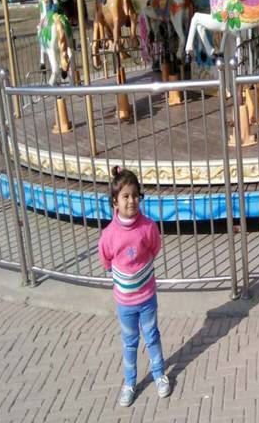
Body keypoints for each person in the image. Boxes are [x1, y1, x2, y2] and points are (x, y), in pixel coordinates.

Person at [98, 166, 171, 407]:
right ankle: (130, 382)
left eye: (135, 195)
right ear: (115, 202)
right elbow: (106, 258)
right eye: (125, 197)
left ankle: (159, 373)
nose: (131, 201)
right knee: (129, 341)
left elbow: (154, 247)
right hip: (124, 301)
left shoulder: (148, 226)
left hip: (147, 296)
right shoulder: (109, 234)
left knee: (151, 335)